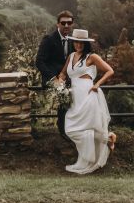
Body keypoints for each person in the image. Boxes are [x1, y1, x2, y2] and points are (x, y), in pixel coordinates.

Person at [58, 28, 116, 174]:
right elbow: (63, 73)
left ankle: (107, 140)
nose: (79, 44)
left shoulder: (92, 57)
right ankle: (108, 138)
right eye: (76, 41)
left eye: (82, 42)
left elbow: (110, 71)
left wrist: (97, 84)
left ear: (86, 43)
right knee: (70, 128)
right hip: (74, 97)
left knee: (91, 126)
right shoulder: (71, 56)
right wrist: (59, 85)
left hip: (89, 94)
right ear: (73, 42)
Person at [36, 10, 74, 139]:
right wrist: (54, 78)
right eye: (63, 23)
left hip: (67, 78)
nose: (66, 26)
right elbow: (39, 62)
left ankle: (74, 126)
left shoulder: (72, 41)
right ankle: (63, 130)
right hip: (51, 78)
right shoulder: (49, 39)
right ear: (58, 24)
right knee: (64, 94)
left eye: (69, 23)